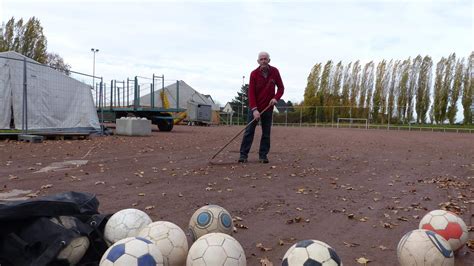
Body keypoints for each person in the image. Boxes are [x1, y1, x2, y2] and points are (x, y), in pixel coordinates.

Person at [238, 51, 284, 163]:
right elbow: (251, 93)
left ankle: (263, 155)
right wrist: (254, 109)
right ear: (258, 61)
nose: (263, 61)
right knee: (249, 131)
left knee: (266, 133)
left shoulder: (275, 72)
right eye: (261, 59)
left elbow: (281, 88)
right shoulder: (254, 74)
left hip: (268, 108)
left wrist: (275, 98)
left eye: (265, 58)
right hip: (254, 108)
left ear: (269, 60)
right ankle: (243, 155)